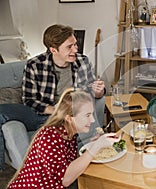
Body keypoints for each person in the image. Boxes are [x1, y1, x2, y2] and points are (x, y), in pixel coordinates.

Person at [0, 24, 106, 170]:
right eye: (69, 47)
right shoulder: (35, 65)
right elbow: (28, 100)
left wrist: (99, 91)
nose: (75, 49)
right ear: (53, 49)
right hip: (42, 114)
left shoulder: (83, 61)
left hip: (70, 116)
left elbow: (92, 94)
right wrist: (54, 110)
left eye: (75, 44)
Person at [2, 88, 120, 189]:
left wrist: (92, 144)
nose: (93, 120)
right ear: (69, 118)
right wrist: (95, 147)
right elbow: (66, 179)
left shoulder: (68, 133)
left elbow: (67, 165)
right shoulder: (50, 137)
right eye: (87, 115)